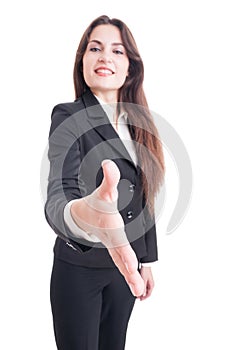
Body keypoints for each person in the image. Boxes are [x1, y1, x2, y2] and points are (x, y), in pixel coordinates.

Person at [45, 15, 165, 350]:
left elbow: (146, 194)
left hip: (124, 270)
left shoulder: (139, 124)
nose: (105, 57)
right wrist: (82, 214)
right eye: (95, 48)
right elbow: (59, 192)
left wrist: (147, 260)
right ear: (82, 60)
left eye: (117, 51)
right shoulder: (67, 116)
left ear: (130, 68)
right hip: (79, 269)